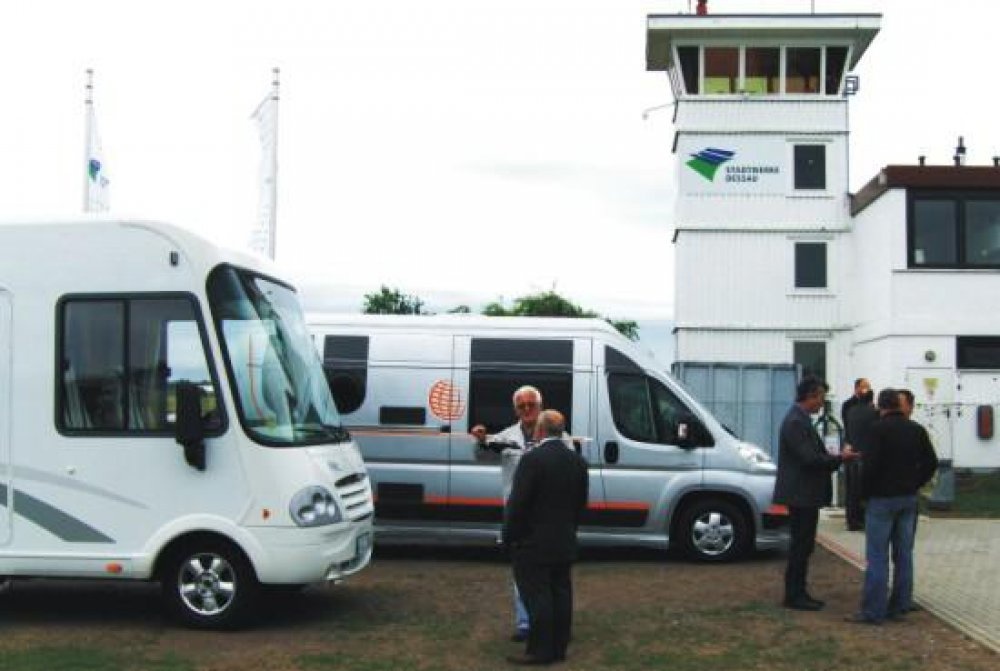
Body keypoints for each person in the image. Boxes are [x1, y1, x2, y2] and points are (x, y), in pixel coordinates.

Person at [503, 410, 589, 666]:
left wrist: (509, 536)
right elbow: (580, 504)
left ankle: (539, 651)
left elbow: (518, 503)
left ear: (539, 431)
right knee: (561, 593)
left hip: (533, 542)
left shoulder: (532, 460)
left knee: (538, 596)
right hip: (564, 538)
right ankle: (558, 648)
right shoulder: (578, 462)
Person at [846, 389, 939, 625]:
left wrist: (863, 494)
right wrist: (915, 482)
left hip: (881, 499)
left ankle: (873, 611)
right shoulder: (916, 430)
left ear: (880, 406)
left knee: (877, 556)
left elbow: (870, 466)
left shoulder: (876, 430)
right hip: (908, 498)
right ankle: (900, 605)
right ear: (899, 405)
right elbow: (932, 462)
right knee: (904, 554)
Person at [773, 376, 858, 611]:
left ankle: (799, 591)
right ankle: (794, 595)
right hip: (801, 495)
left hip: (804, 494)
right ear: (810, 395)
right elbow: (809, 458)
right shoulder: (795, 422)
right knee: (801, 545)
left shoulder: (800, 420)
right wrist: (840, 458)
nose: (822, 403)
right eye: (820, 397)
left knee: (804, 545)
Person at [471, 385, 545, 643]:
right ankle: (524, 623)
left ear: (540, 407)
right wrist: (480, 440)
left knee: (545, 570)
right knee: (520, 570)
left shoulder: (554, 434)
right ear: (516, 409)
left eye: (531, 405)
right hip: (516, 513)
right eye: (521, 406)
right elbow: (481, 456)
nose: (527, 410)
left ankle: (544, 621)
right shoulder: (506, 436)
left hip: (544, 513)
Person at [844, 387, 878, 531]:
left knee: (851, 491)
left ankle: (851, 521)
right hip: (866, 457)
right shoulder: (874, 413)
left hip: (851, 455)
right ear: (871, 399)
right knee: (865, 491)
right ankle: (863, 520)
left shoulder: (851, 412)